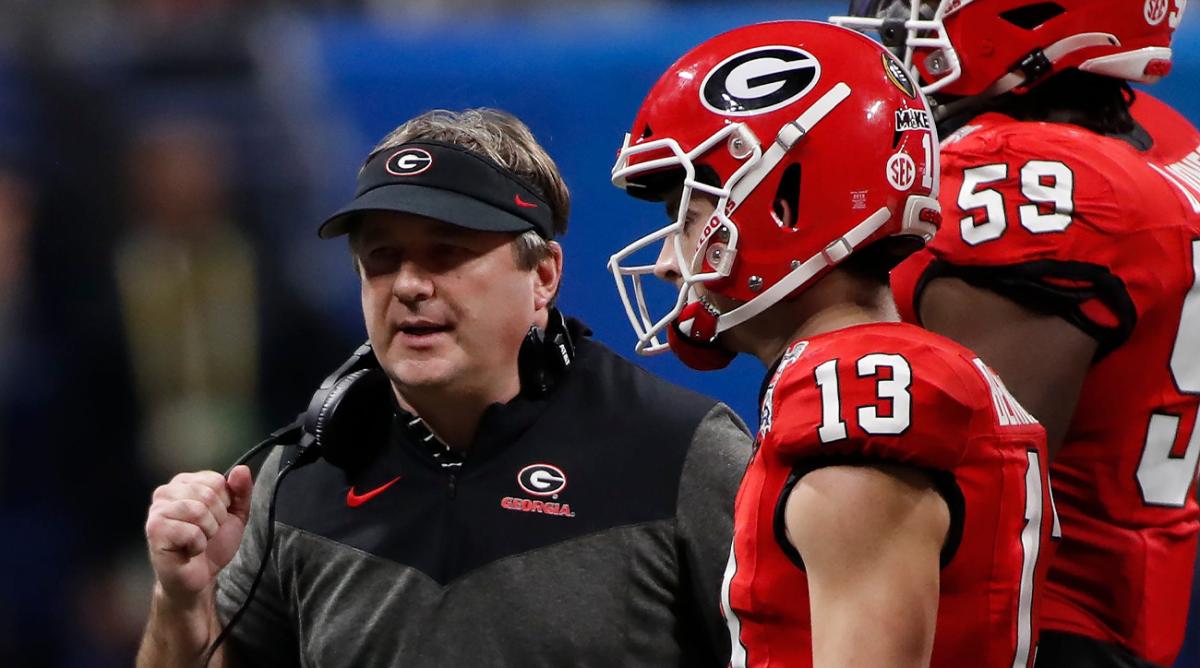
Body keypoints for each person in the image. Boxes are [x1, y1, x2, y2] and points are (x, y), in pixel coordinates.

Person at [136, 108, 753, 667]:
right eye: (382, 258)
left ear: (542, 276)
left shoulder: (679, 452)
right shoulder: (304, 473)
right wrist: (181, 599)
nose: (408, 285)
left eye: (446, 253)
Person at [607, 20, 1055, 667]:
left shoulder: (854, 396)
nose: (670, 262)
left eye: (690, 211)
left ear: (785, 198)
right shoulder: (887, 371)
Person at [832, 2, 1200, 665]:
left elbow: (979, 500)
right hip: (1115, 608)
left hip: (1024, 631)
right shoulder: (1156, 138)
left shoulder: (1024, 181)